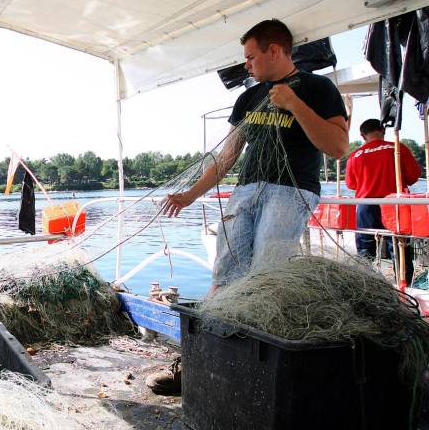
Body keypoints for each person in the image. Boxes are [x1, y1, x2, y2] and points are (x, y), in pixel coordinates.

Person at [162, 19, 348, 298]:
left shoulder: (318, 87)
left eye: (250, 57)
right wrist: (190, 195)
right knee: (226, 269)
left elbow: (338, 147)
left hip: (291, 189)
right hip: (245, 189)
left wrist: (293, 104)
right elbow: (227, 157)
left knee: (268, 274)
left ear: (273, 51)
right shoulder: (247, 99)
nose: (246, 65)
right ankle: (215, 324)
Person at [345, 118, 420, 284]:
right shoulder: (397, 148)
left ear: (362, 135)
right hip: (394, 206)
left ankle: (364, 288)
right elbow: (414, 176)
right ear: (382, 130)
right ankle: (404, 289)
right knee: (400, 250)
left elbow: (351, 184)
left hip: (366, 206)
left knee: (365, 253)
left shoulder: (354, 156)